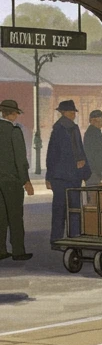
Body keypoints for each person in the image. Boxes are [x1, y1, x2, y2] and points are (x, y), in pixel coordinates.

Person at [45, 100, 90, 248]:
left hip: (65, 176)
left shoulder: (66, 128)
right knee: (70, 208)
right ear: (63, 113)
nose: (73, 114)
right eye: (70, 111)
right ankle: (70, 238)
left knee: (63, 208)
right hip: (67, 176)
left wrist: (49, 176)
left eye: (73, 111)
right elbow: (55, 154)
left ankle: (60, 239)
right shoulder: (63, 129)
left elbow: (53, 155)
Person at [0, 99, 33, 261]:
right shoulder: (14, 132)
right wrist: (26, 181)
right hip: (12, 181)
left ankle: (0, 250)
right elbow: (20, 160)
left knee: (0, 216)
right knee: (15, 216)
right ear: (12, 114)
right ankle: (18, 251)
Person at [84, 109, 102, 185]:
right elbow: (96, 154)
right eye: (97, 121)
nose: (100, 124)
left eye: (101, 122)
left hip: (93, 170)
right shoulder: (93, 133)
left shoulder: (93, 132)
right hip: (94, 171)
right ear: (91, 121)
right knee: (93, 192)